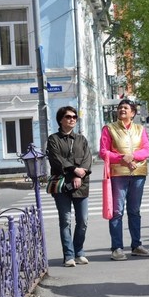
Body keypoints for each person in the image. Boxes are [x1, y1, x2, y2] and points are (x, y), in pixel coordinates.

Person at [100, 99, 149, 261]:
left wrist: (133, 157)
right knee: (117, 212)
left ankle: (136, 245)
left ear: (133, 113)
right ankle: (117, 248)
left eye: (126, 108)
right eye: (120, 107)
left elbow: (146, 149)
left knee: (134, 211)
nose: (122, 110)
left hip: (138, 174)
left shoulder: (140, 129)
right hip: (118, 175)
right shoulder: (109, 129)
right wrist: (123, 158)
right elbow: (103, 152)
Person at [47, 106, 92, 267]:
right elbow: (56, 160)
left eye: (74, 117)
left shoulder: (81, 139)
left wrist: (81, 174)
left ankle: (79, 251)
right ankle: (69, 255)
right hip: (62, 185)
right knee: (65, 220)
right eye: (68, 117)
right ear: (60, 120)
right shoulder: (53, 139)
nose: (72, 119)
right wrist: (74, 172)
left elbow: (87, 159)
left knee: (83, 220)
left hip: (81, 184)